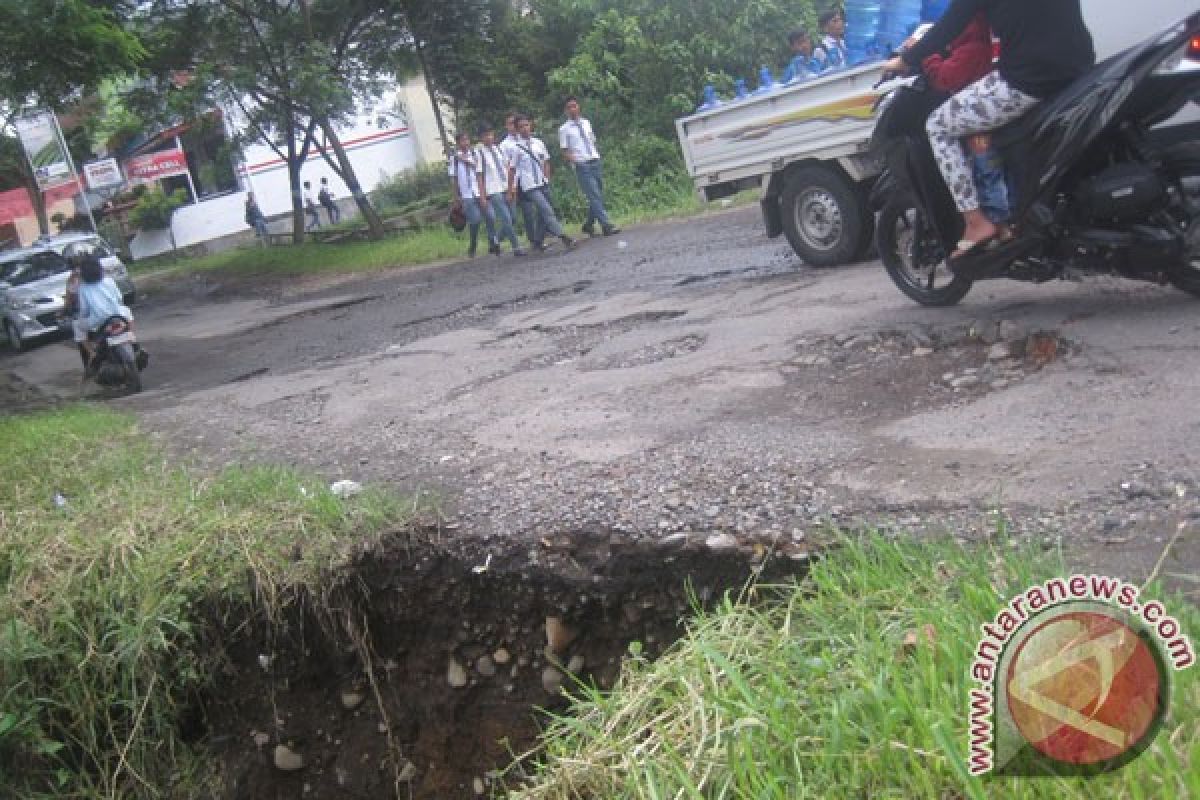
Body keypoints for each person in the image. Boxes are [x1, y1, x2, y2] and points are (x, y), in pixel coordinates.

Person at [885, 0, 1094, 258]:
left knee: (938, 125)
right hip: (1079, 66)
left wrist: (905, 60)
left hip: (1029, 78)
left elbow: (951, 23)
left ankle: (976, 222)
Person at [507, 114, 576, 253]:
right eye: (521, 127)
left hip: (542, 182)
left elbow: (546, 161)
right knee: (546, 210)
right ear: (517, 130)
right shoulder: (516, 148)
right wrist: (510, 190)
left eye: (526, 125)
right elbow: (512, 170)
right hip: (529, 185)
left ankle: (537, 241)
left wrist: (547, 178)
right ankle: (563, 237)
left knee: (543, 214)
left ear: (530, 125)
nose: (525, 129)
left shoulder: (538, 143)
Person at [559, 97, 620, 237]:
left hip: (594, 160)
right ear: (566, 110)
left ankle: (588, 224)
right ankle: (606, 225)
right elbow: (564, 150)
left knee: (597, 193)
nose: (572, 109)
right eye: (569, 107)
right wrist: (575, 161)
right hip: (582, 164)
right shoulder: (564, 129)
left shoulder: (586, 123)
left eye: (574, 106)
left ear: (578, 107)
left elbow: (592, 140)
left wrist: (596, 155)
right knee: (594, 194)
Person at [76, 255, 133, 372]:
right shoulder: (109, 281)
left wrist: (82, 317)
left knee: (78, 326)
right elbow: (119, 298)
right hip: (118, 315)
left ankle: (91, 352)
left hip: (98, 320)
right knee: (127, 312)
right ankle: (131, 336)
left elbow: (84, 310)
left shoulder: (82, 288)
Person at [475, 123, 525, 256]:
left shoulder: (499, 149)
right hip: (494, 190)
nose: (489, 138)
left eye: (490, 134)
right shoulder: (479, 153)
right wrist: (482, 196)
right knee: (506, 218)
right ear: (480, 138)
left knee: (513, 217)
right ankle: (516, 247)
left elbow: (508, 168)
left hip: (506, 186)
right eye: (485, 136)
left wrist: (512, 185)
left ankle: (496, 239)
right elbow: (479, 176)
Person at [502, 112, 540, 248]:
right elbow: (507, 166)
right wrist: (511, 186)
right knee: (525, 211)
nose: (513, 126)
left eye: (514, 123)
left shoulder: (527, 139)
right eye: (510, 124)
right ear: (506, 126)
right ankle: (532, 238)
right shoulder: (505, 145)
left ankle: (539, 235)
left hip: (530, 177)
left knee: (537, 207)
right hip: (516, 181)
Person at [448, 131, 486, 257]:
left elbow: (480, 170)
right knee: (475, 220)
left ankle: (494, 243)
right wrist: (456, 198)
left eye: (467, 140)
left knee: (490, 217)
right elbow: (453, 179)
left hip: (479, 190)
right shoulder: (454, 159)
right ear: (458, 143)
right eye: (463, 140)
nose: (466, 143)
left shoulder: (475, 153)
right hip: (466, 195)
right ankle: (473, 245)